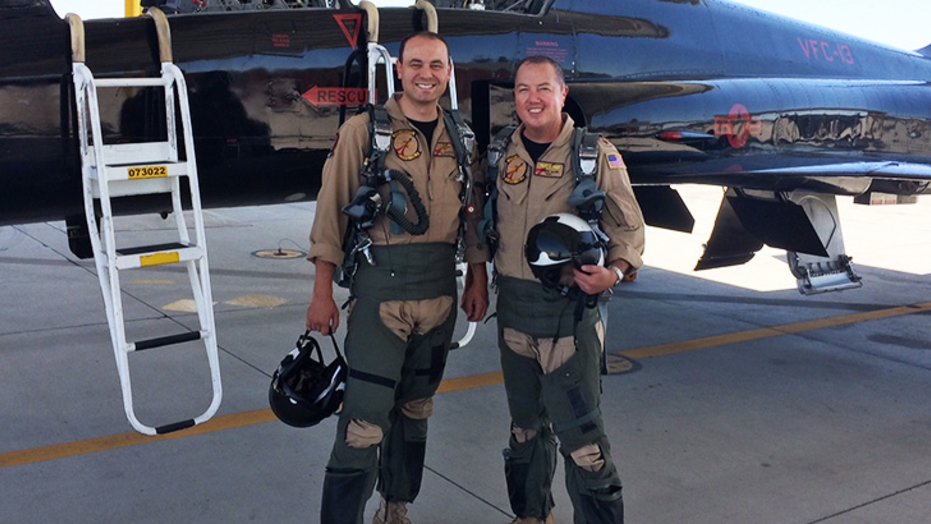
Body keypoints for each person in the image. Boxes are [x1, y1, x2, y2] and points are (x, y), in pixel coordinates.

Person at [305, 32, 488, 524]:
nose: (425, 73)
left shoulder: (462, 137)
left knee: (415, 412)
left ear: (449, 72)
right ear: (400, 71)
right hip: (380, 293)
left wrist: (478, 277)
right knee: (363, 419)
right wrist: (322, 293)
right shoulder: (366, 131)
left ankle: (396, 506)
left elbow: (473, 215)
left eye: (436, 64)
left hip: (439, 294)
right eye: (415, 64)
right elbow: (330, 215)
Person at [486, 55, 645, 523]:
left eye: (542, 89)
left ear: (562, 94)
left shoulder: (595, 154)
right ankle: (531, 515)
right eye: (522, 90)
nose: (532, 99)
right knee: (524, 431)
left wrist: (613, 273)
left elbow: (630, 230)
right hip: (514, 314)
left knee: (584, 442)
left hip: (570, 316)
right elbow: (483, 224)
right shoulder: (500, 154)